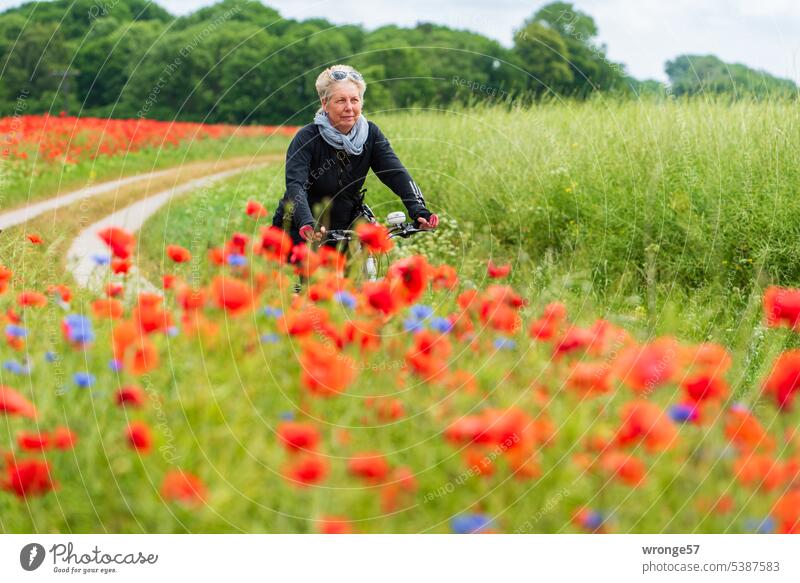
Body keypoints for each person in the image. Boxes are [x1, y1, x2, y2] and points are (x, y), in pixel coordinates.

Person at [271, 64, 439, 252]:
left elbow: (395, 173)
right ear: (325, 103)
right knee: (310, 279)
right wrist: (306, 222)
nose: (349, 107)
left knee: (358, 276)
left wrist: (418, 208)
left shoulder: (371, 134)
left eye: (354, 100)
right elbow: (296, 185)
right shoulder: (307, 137)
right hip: (301, 223)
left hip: (346, 222)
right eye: (341, 100)